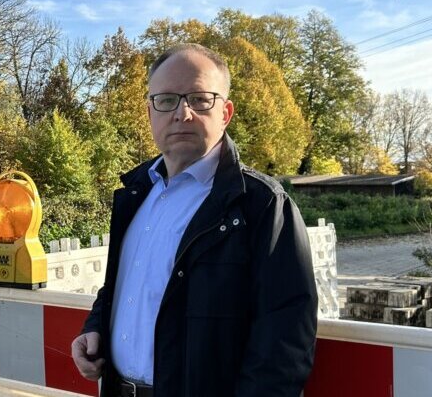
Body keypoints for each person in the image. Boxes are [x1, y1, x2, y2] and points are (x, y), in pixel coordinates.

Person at [70, 43, 318, 396]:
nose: (182, 113)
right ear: (150, 113)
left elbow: (285, 339)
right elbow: (123, 289)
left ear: (226, 112)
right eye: (166, 100)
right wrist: (95, 326)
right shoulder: (135, 196)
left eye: (200, 99)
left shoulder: (260, 206)